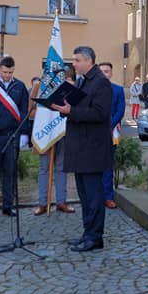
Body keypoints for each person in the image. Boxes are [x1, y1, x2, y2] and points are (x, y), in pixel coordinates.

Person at [51, 46, 112, 253]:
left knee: (94, 196)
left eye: (76, 60)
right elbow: (79, 108)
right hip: (80, 147)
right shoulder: (82, 81)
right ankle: (88, 233)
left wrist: (72, 111)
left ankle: (95, 237)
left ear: (88, 61)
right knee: (85, 196)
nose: (73, 64)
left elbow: (100, 114)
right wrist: (64, 109)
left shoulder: (101, 83)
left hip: (92, 149)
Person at [0, 55, 30, 218]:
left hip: (13, 135)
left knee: (10, 172)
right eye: (4, 72)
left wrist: (25, 133)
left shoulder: (20, 86)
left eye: (10, 72)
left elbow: (24, 110)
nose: (7, 75)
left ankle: (8, 205)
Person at [33, 72, 73, 215]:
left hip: (63, 132)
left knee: (61, 168)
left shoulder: (68, 88)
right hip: (46, 132)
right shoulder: (39, 87)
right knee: (44, 169)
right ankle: (42, 203)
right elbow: (31, 111)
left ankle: (61, 201)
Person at [99, 62, 125, 209]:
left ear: (111, 73)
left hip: (110, 132)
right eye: (101, 71)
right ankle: (96, 196)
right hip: (94, 133)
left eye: (107, 71)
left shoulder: (118, 90)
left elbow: (120, 110)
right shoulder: (92, 90)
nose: (104, 74)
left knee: (107, 165)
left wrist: (108, 125)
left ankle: (108, 197)